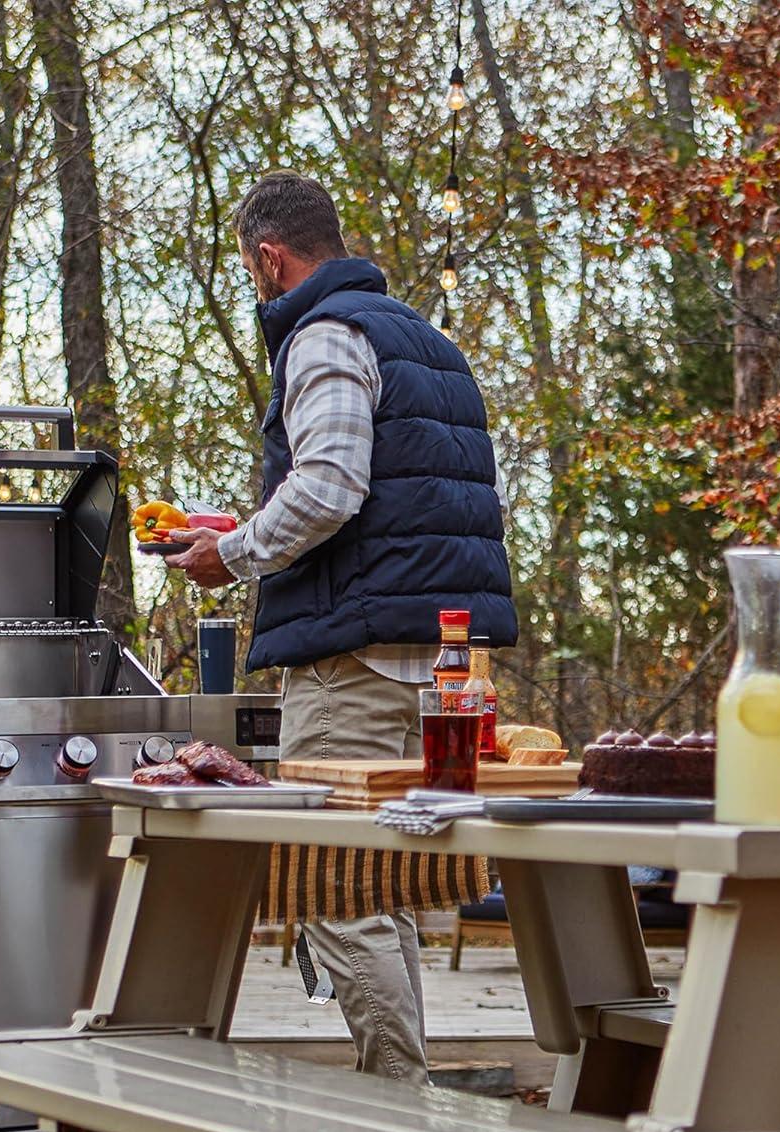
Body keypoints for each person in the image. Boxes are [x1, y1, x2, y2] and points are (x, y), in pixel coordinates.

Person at [169, 170, 516, 1083]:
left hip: (351, 659)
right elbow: (402, 499)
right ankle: (407, 1091)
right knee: (382, 886)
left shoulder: (325, 334)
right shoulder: (425, 341)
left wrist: (232, 553)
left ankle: (399, 1112)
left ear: (269, 257)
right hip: (440, 663)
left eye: (251, 273)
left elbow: (329, 485)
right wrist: (240, 529)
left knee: (332, 890)